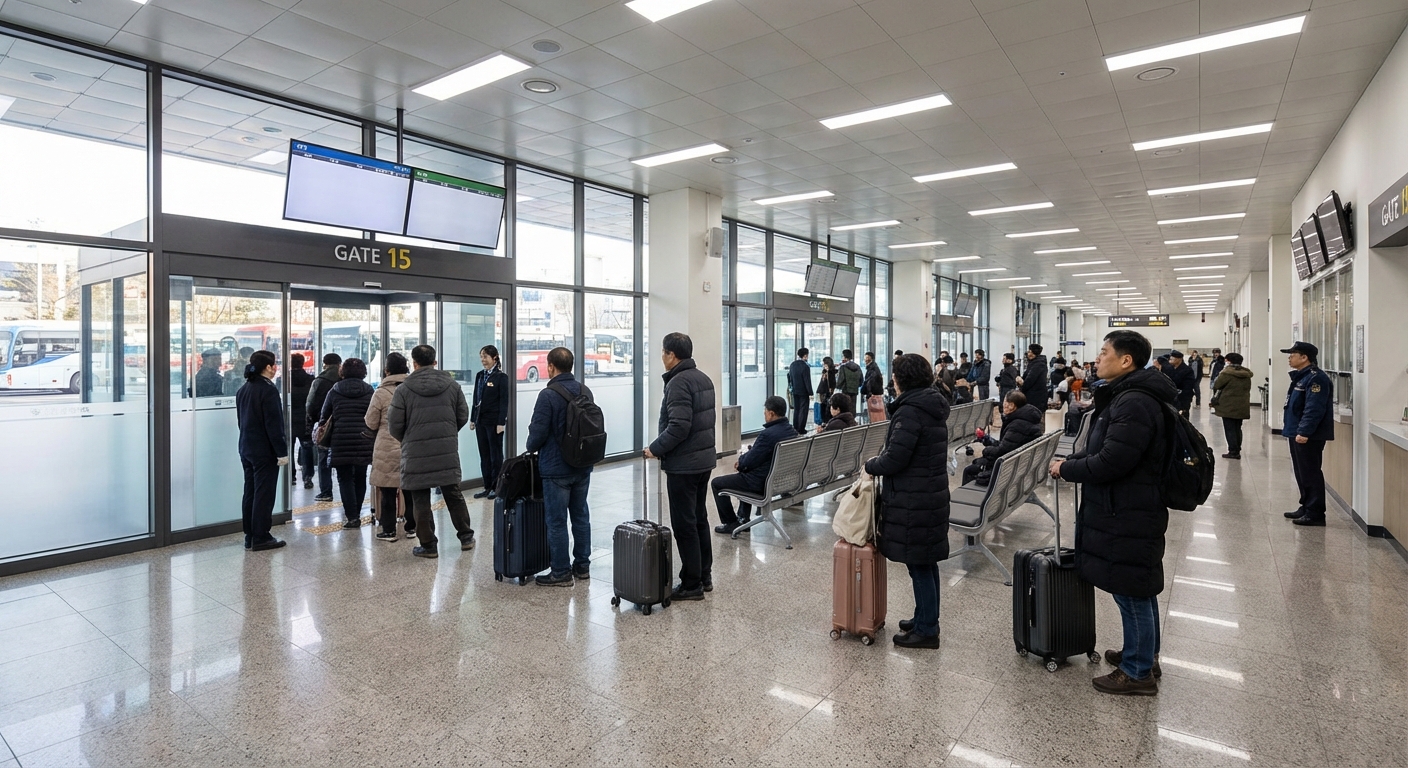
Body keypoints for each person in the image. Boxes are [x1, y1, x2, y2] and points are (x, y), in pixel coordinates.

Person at [1049, 330, 1175, 696]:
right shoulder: (1134, 395)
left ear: (1126, 361)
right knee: (1138, 586)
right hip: (1131, 505)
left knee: (1131, 589)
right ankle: (1143, 654)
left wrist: (1067, 469)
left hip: (1127, 509)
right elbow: (1110, 449)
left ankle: (1137, 673)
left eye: (1104, 353)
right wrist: (1075, 459)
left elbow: (1113, 461)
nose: (1096, 359)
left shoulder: (1133, 401)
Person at [864, 353, 949, 649]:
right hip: (929, 494)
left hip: (915, 499)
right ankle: (925, 617)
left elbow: (896, 458)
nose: (892, 381)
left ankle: (927, 630)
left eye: (895, 376)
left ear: (903, 380)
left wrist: (871, 465)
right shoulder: (931, 405)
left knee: (919, 564)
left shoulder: (910, 411)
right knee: (925, 563)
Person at [644, 332, 717, 601]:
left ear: (671, 355)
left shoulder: (678, 383)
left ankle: (691, 583)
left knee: (684, 523)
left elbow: (679, 426)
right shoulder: (702, 377)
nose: (661, 357)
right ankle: (704, 575)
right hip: (703, 461)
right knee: (699, 519)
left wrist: (655, 448)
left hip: (685, 465)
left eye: (663, 352)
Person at [389, 344, 477, 558]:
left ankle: (428, 546)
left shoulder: (403, 389)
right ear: (435, 361)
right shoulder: (452, 385)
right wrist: (447, 432)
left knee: (420, 499)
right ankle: (465, 536)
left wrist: (408, 439)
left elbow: (394, 425)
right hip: (445, 449)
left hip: (415, 451)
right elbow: (462, 415)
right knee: (453, 494)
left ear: (414, 363)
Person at [522, 346, 595, 584]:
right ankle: (582, 566)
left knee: (556, 520)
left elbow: (538, 433)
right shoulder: (585, 390)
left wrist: (530, 444)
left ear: (551, 366)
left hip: (556, 468)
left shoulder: (548, 395)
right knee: (580, 515)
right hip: (582, 465)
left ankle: (561, 572)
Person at [711, 395, 797, 535]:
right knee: (747, 470)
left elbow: (748, 461)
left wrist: (740, 463)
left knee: (717, 483)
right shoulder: (791, 431)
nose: (764, 415)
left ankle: (731, 523)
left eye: (765, 412)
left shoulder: (767, 435)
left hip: (762, 482)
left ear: (771, 413)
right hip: (781, 480)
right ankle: (744, 519)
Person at [235, 350, 287, 552]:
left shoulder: (244, 389)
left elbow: (241, 422)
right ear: (268, 367)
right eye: (274, 365)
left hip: (246, 448)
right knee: (264, 494)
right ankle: (261, 536)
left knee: (250, 491)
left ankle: (250, 535)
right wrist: (281, 452)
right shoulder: (268, 390)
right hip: (265, 451)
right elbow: (274, 425)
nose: (275, 369)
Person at [1281, 341, 1335, 527]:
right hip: (1296, 431)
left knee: (1310, 472)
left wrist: (1304, 431)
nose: (1289, 357)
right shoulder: (1301, 377)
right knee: (1301, 471)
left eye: (1292, 354)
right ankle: (1306, 505)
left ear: (1304, 357)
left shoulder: (1316, 378)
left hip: (1308, 435)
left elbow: (1314, 408)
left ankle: (1315, 512)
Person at [320, 358, 376, 529]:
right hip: (364, 439)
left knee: (344, 479)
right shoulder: (369, 391)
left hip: (340, 439)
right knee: (360, 476)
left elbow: (324, 416)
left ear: (342, 371)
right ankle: (357, 511)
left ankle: (352, 517)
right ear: (363, 372)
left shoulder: (334, 391)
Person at [366, 352, 414, 542]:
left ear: (386, 370)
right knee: (410, 490)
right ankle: (412, 528)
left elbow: (370, 422)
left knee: (387, 491)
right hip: (409, 444)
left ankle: (389, 530)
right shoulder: (412, 390)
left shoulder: (380, 393)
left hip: (386, 446)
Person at [962, 391, 1042, 485]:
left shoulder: (1017, 425)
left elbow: (1002, 451)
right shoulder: (1025, 419)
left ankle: (971, 498)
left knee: (969, 470)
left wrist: (983, 451)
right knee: (976, 464)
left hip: (1008, 469)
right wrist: (986, 439)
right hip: (1017, 463)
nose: (1003, 404)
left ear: (1011, 405)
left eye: (1004, 402)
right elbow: (1007, 445)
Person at [470, 344, 509, 499]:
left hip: (494, 422)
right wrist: (473, 418)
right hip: (481, 421)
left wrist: (501, 422)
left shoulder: (501, 377)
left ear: (494, 358)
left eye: (485, 356)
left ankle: (496, 487)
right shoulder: (480, 375)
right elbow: (475, 397)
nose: (483, 360)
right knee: (484, 455)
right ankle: (487, 486)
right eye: (481, 356)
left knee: (495, 456)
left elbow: (504, 401)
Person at [306, 353, 342, 502]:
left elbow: (310, 404)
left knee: (323, 459)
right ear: (339, 364)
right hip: (343, 424)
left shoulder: (319, 381)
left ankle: (326, 491)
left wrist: (313, 420)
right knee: (344, 460)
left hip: (324, 424)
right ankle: (346, 490)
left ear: (324, 364)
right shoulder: (345, 379)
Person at [1211, 352, 1253, 461]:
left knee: (1229, 428)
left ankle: (1232, 451)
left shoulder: (1226, 373)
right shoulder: (1246, 374)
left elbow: (1217, 385)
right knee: (1237, 428)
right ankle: (1237, 449)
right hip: (1241, 404)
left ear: (1228, 361)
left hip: (1228, 405)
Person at [288, 353, 315, 489]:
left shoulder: (284, 379)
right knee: (307, 448)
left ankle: (291, 476)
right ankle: (308, 477)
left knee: (289, 448)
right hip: (305, 419)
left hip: (289, 418)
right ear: (303, 363)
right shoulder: (310, 379)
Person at [787, 347, 813, 435]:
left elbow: (790, 377)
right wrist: (810, 392)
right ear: (805, 356)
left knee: (797, 409)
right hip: (803, 392)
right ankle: (801, 428)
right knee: (803, 410)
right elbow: (807, 380)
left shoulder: (792, 364)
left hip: (795, 390)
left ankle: (795, 427)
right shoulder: (805, 366)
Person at [1162, 350, 1196, 417]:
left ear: (1179, 359)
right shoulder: (1168, 369)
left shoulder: (1187, 370)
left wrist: (1183, 404)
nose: (1170, 358)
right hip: (1170, 400)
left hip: (1182, 399)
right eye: (1170, 357)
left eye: (1173, 357)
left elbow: (1188, 388)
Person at [1018, 344, 1047, 410]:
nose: (1028, 353)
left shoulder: (1038, 364)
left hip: (1036, 397)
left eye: (1029, 351)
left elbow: (1030, 380)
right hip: (1033, 395)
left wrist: (1022, 383)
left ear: (1033, 353)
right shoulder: (1033, 363)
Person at [815, 356, 837, 421]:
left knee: (825, 407)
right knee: (824, 407)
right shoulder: (826, 371)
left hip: (826, 392)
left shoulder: (830, 372)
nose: (823, 365)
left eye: (824, 363)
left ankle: (825, 421)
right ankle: (824, 420)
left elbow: (831, 383)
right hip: (824, 391)